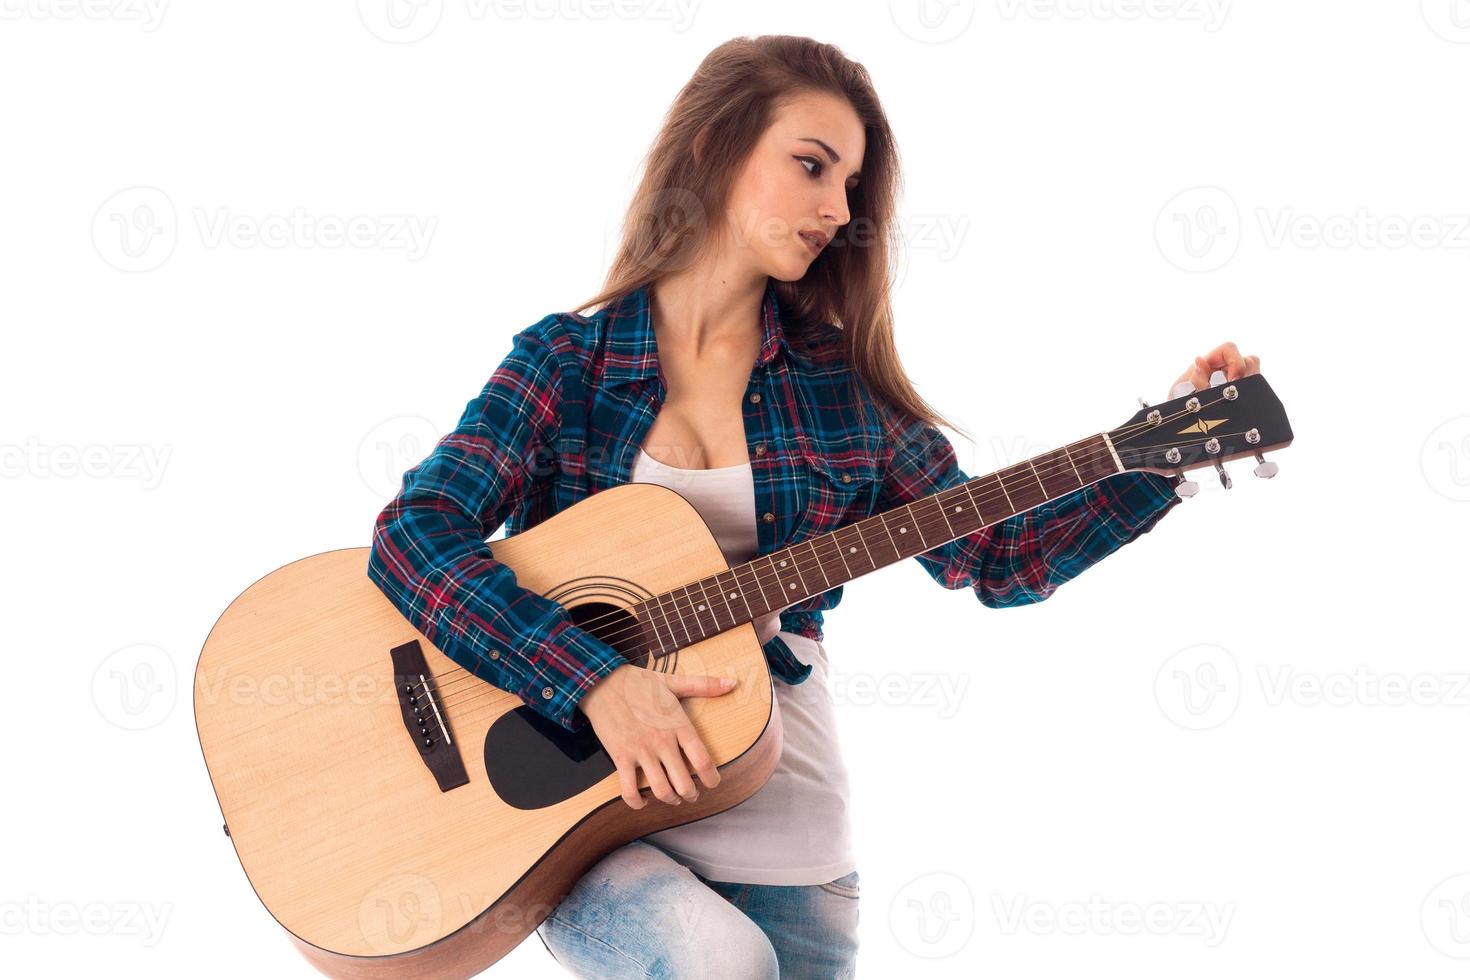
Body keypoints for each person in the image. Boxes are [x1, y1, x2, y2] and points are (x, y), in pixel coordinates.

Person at [367, 34, 1261, 980]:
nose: (837, 210)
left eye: (850, 187)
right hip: (593, 823)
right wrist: (593, 678)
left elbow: (1000, 559)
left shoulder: (842, 390)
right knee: (718, 963)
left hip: (794, 838)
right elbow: (414, 536)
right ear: (715, 148)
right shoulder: (566, 365)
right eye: (811, 167)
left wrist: (1155, 458)